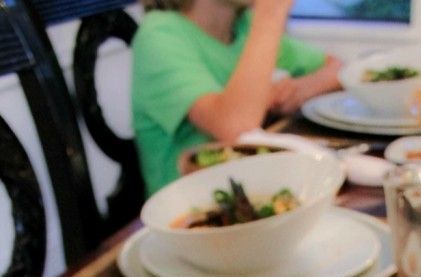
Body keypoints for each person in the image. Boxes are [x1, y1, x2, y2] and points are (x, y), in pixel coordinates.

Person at [132, 0, 342, 194]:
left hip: (255, 190)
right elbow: (236, 127)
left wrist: (302, 89)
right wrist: (270, 15)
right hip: (188, 207)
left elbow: (338, 69)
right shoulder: (159, 34)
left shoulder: (243, 26)